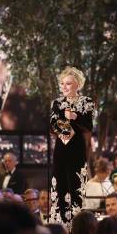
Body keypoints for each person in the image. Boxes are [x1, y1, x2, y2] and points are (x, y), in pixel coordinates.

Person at [49, 66, 95, 224]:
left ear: (78, 85)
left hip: (77, 150)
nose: (64, 87)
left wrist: (75, 116)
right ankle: (60, 224)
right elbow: (53, 125)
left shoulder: (86, 102)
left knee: (76, 186)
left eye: (68, 83)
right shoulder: (56, 103)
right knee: (60, 186)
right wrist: (67, 127)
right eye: (62, 83)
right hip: (61, 149)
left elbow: (88, 126)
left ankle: (77, 224)